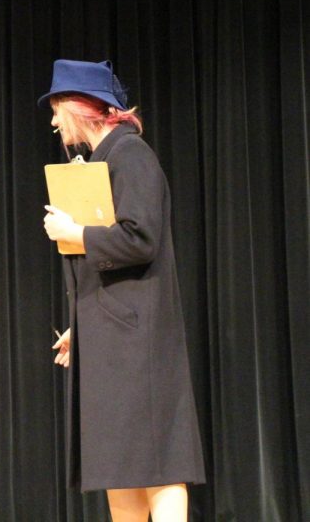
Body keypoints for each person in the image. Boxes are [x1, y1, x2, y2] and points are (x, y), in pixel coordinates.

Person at [39, 60, 205, 521]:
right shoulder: (102, 161)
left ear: (80, 109)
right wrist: (81, 327)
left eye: (57, 110)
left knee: (157, 461)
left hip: (138, 339)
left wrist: (77, 234)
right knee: (120, 464)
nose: (54, 122)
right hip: (112, 336)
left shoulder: (131, 155)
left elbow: (141, 237)